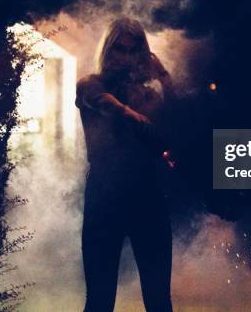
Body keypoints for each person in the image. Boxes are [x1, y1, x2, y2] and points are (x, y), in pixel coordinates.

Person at [76, 17, 174, 312]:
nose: (126, 58)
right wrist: (136, 117)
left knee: (159, 300)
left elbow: (176, 123)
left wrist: (164, 77)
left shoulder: (149, 94)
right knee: (99, 301)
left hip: (148, 196)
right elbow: (104, 103)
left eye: (134, 51)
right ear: (108, 49)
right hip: (105, 198)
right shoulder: (89, 84)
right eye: (120, 49)